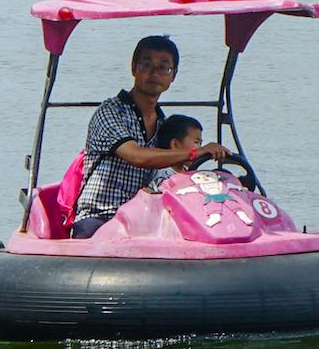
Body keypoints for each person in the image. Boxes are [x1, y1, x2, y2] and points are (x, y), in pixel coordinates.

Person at [68, 35, 235, 238]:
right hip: (101, 215)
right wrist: (196, 152)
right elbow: (137, 156)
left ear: (173, 75)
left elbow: (173, 168)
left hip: (146, 220)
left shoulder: (164, 124)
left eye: (163, 68)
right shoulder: (110, 112)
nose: (154, 73)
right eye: (146, 65)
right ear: (134, 68)